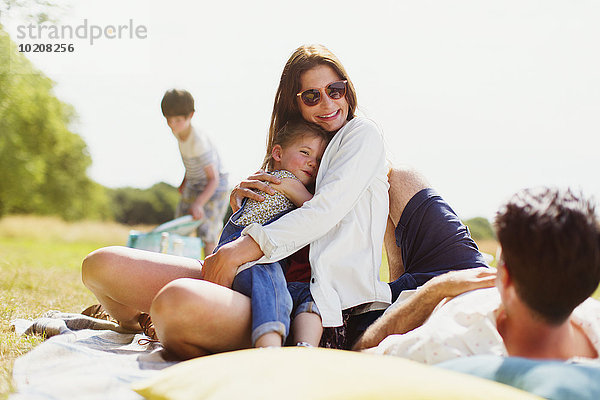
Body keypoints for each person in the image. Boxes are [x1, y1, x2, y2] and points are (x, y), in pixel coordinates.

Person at [81, 44, 486, 359]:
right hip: (252, 275)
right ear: (296, 104)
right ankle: (143, 321)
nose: (327, 103)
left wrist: (245, 245)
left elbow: (325, 211)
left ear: (348, 88)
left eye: (335, 90)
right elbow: (281, 212)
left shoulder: (361, 136)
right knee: (100, 265)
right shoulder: (300, 149)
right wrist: (251, 199)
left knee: (176, 304)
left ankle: (231, 334)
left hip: (308, 306)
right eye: (311, 96)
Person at [357, 187, 600, 364]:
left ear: (503, 277)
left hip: (437, 298)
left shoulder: (442, 345)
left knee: (393, 177)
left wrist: (436, 290)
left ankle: (395, 292)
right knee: (400, 178)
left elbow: (358, 354)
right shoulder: (591, 321)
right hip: (473, 280)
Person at [219, 120, 329, 348]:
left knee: (306, 293)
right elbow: (319, 213)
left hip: (248, 248)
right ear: (277, 153)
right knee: (272, 285)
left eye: (319, 160)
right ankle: (269, 345)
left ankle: (301, 346)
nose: (312, 163)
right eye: (305, 152)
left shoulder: (264, 179)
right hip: (248, 248)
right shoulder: (286, 180)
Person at [161, 89, 229, 256]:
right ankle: (176, 262)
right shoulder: (178, 133)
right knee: (180, 222)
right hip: (195, 182)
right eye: (169, 120)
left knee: (207, 230)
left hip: (214, 187)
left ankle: (209, 267)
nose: (172, 124)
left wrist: (199, 203)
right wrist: (185, 181)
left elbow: (213, 178)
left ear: (190, 116)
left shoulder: (198, 142)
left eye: (177, 120)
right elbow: (190, 162)